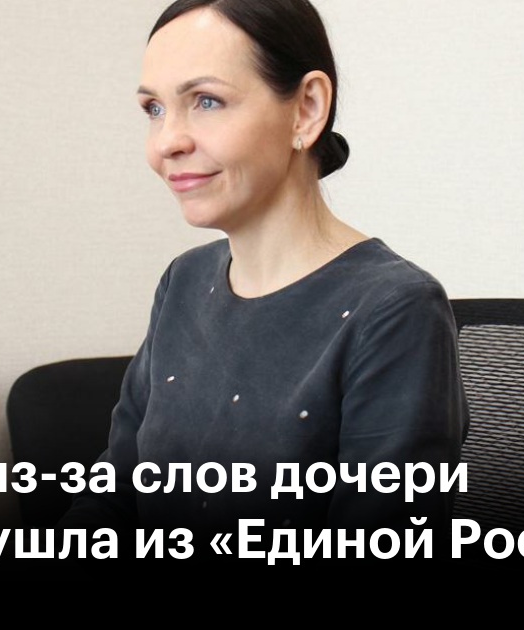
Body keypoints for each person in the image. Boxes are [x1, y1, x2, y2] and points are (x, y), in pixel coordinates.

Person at [58, 0, 467, 566]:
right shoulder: (184, 280)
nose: (166, 142)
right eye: (154, 109)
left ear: (306, 109)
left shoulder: (395, 309)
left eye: (206, 101)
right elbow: (115, 494)